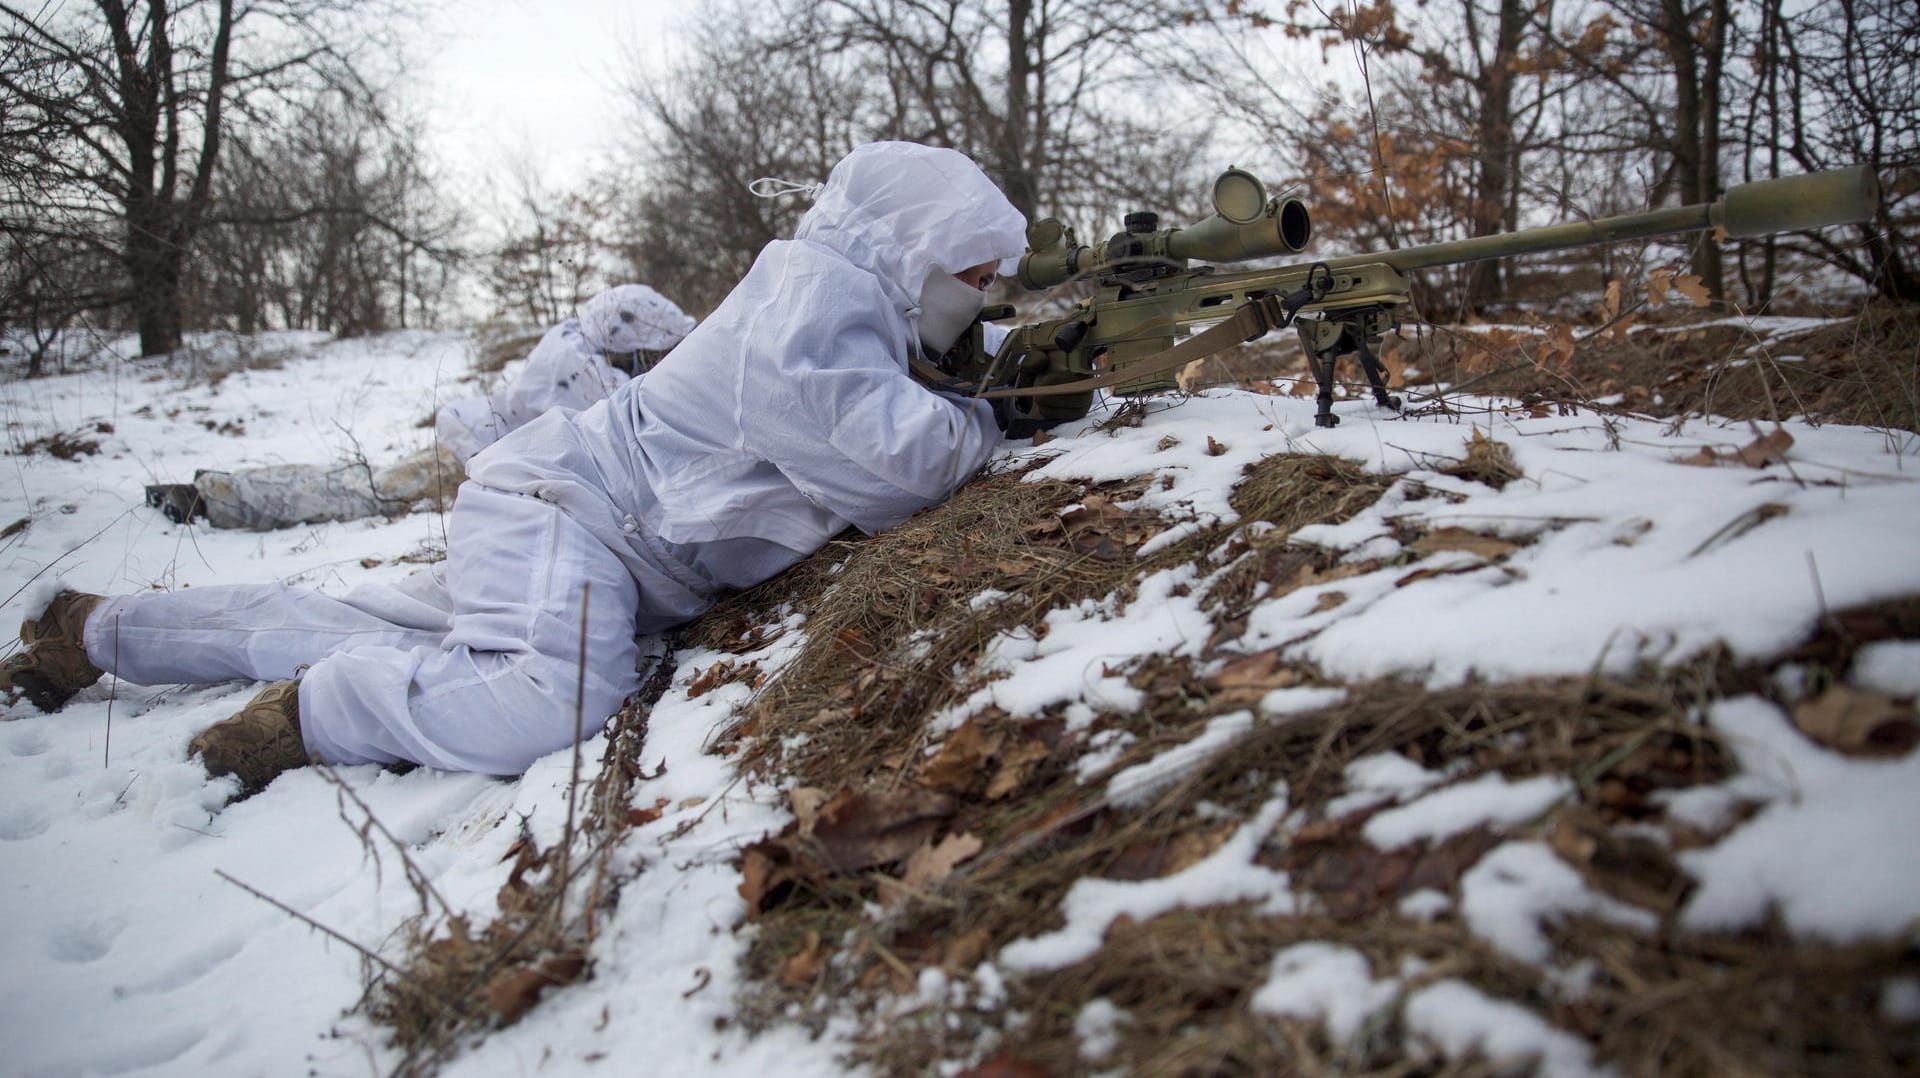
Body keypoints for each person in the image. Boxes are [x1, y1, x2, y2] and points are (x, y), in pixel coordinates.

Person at [1, 142, 1027, 795]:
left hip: (568, 514)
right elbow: (898, 467)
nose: (980, 297)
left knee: (358, 619)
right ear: (913, 249)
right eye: (973, 277)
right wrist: (1003, 409)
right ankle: (313, 715)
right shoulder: (810, 308)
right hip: (567, 512)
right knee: (557, 691)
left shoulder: (831, 298)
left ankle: (91, 629)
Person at [144, 285, 697, 531]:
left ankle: (219, 492)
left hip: (477, 446)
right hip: (468, 455)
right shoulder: (579, 363)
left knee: (362, 486)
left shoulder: (577, 342)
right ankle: (213, 498)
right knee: (364, 493)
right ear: (627, 337)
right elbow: (616, 432)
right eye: (653, 351)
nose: (656, 361)